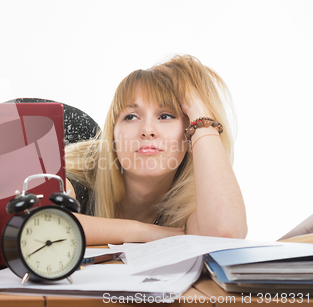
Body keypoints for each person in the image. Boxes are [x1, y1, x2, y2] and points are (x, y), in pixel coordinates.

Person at [65, 55, 247, 245]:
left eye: (166, 116)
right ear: (112, 134)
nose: (148, 131)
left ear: (190, 135)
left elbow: (225, 234)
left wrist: (199, 110)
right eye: (131, 117)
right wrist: (141, 231)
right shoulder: (78, 169)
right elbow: (36, 221)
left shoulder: (194, 198)